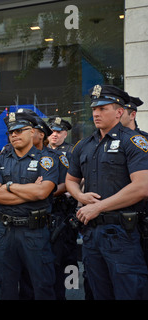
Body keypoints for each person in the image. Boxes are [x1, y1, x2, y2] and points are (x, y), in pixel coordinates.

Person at [65, 84, 148, 300]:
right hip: (92, 234)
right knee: (97, 292)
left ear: (120, 111)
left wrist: (98, 206)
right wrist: (80, 196)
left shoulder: (133, 141)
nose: (96, 113)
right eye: (94, 109)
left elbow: (142, 186)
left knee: (129, 293)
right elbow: (70, 180)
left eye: (103, 108)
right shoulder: (84, 145)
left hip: (122, 233)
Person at [0, 111, 58, 300]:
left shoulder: (47, 159)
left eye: (20, 130)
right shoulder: (0, 160)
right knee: (6, 286)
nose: (14, 135)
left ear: (33, 132)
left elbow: (43, 192)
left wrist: (9, 187)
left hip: (34, 231)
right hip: (5, 232)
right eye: (11, 132)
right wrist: (30, 191)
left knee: (42, 285)